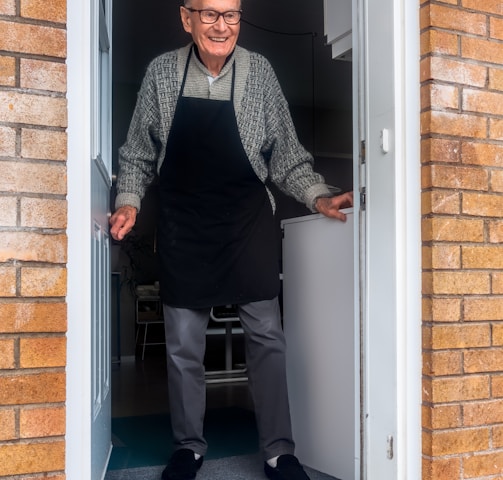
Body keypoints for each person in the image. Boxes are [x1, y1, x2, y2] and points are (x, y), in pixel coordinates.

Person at [110, 0, 353, 479]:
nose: (222, 26)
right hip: (185, 226)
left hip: (245, 224)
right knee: (182, 346)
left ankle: (279, 452)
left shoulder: (259, 73)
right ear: (187, 18)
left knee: (267, 338)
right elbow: (137, 154)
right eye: (210, 14)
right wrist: (130, 199)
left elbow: (287, 157)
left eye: (232, 15)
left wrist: (318, 196)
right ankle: (188, 447)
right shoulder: (162, 73)